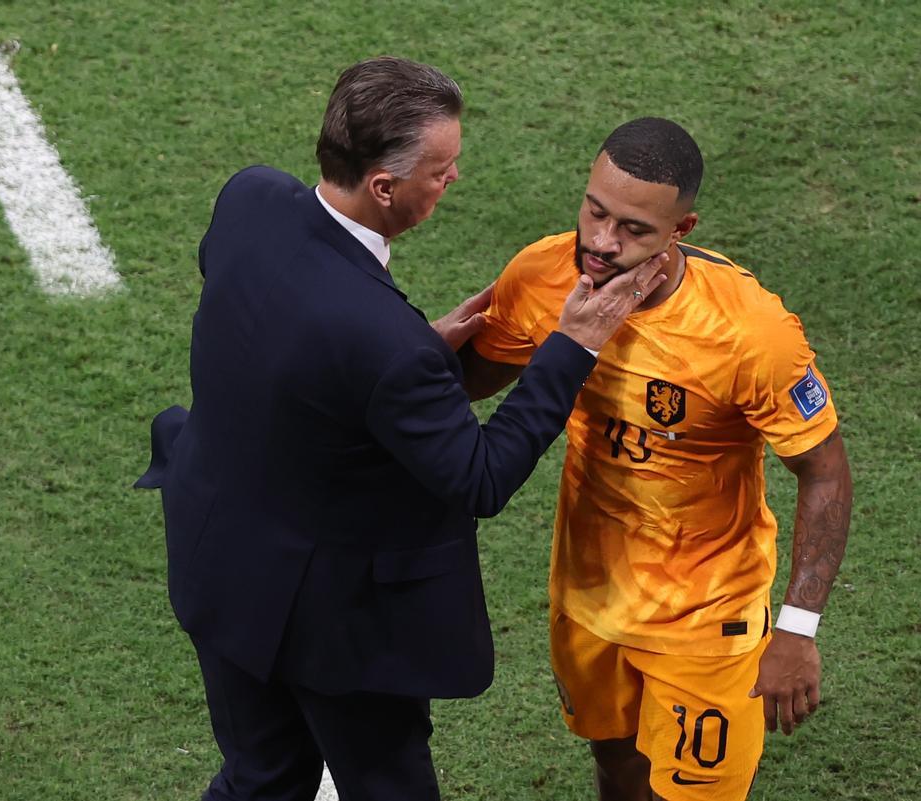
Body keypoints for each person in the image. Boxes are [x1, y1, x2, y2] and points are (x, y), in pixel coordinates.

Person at [133, 59, 667, 801]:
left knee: (262, 778)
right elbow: (479, 476)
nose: (453, 182)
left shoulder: (251, 199)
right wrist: (569, 347)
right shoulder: (386, 344)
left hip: (219, 565)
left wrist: (389, 356)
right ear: (385, 187)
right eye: (442, 171)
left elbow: (266, 313)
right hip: (335, 625)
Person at [458, 117, 854, 801]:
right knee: (615, 768)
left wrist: (798, 628)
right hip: (588, 598)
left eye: (635, 229)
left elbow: (825, 471)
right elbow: (463, 381)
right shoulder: (544, 274)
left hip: (707, 618)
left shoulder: (748, 332)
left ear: (682, 229)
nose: (603, 242)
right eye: (595, 210)